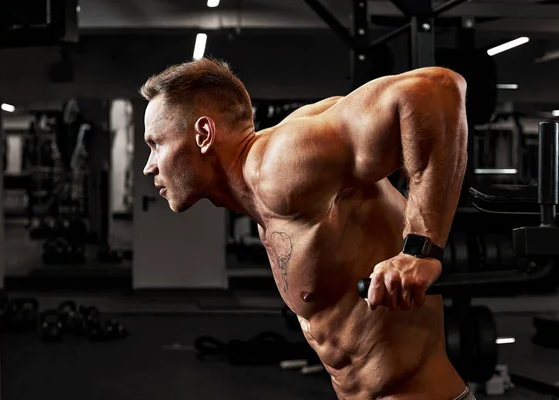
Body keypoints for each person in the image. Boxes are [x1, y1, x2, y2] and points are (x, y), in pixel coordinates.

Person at [140, 58, 471, 400]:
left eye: (156, 144)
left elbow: (435, 88)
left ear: (204, 135)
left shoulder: (281, 165)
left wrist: (420, 251)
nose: (149, 166)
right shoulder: (263, 196)